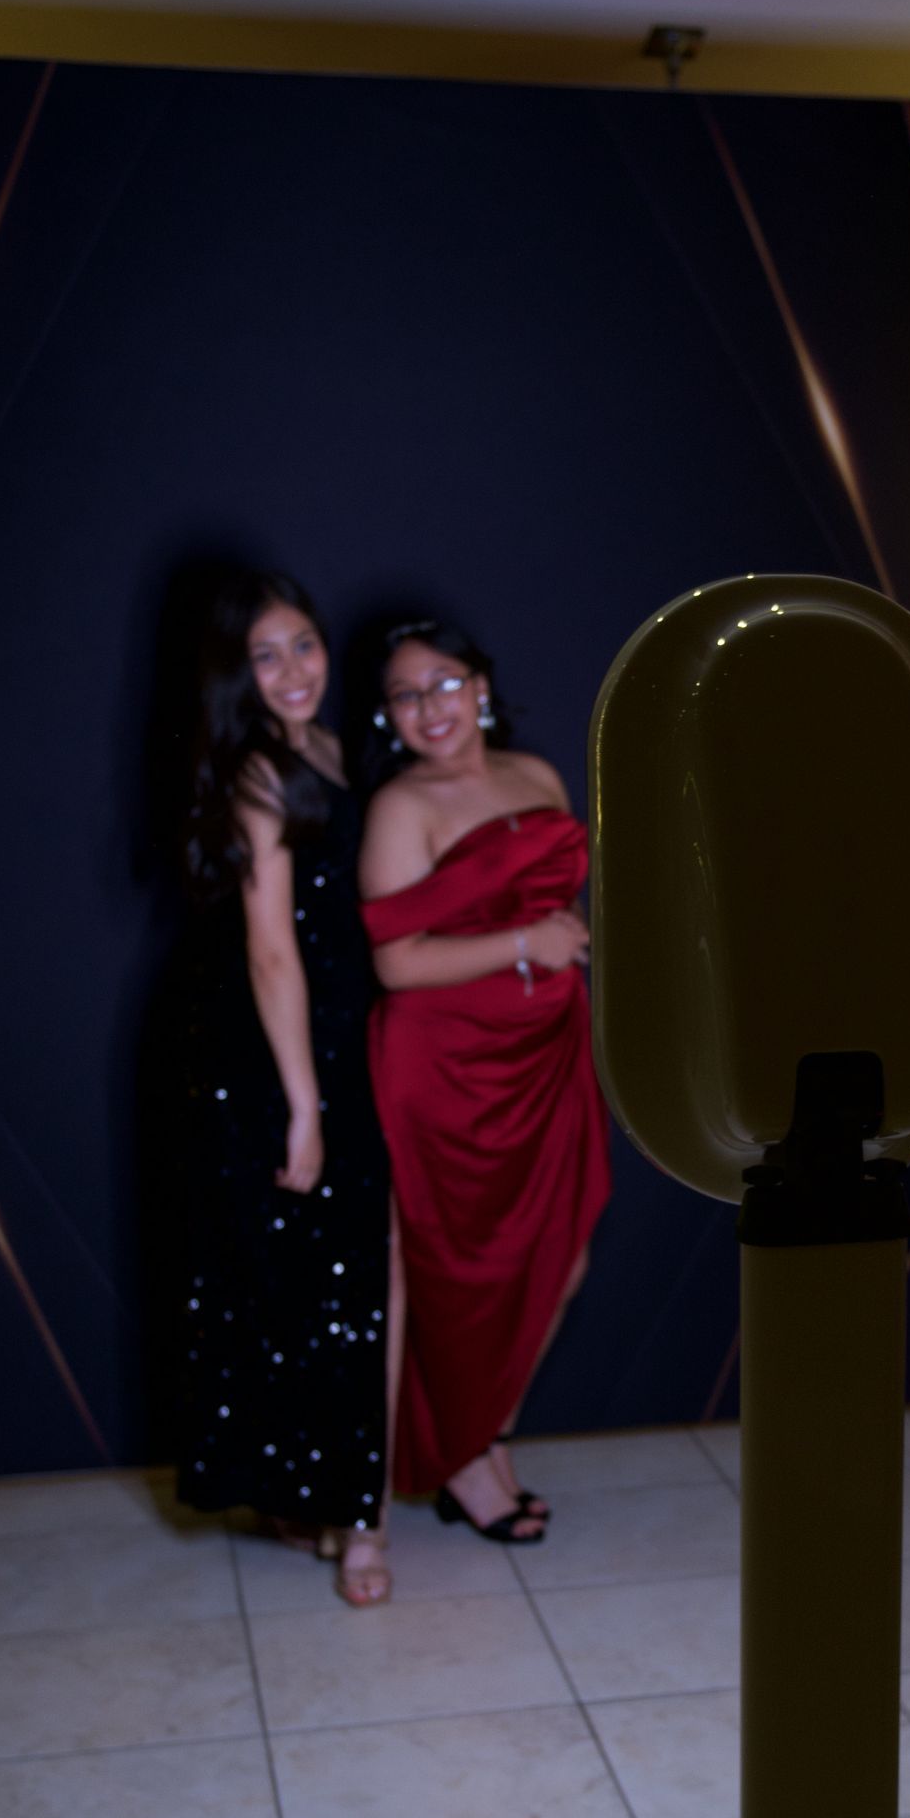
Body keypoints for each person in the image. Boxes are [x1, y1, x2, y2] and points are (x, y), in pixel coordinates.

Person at [359, 618, 610, 1541]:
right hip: (446, 1070)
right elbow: (395, 963)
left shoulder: (535, 774)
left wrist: (558, 938)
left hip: (543, 1052)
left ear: (481, 687)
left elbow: (547, 887)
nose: (430, 706)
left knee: (557, 1259)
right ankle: (465, 1462)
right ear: (389, 715)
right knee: (461, 1273)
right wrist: (524, 945)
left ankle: (481, 1437)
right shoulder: (400, 806)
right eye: (405, 693)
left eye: (445, 682)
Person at [176, 570, 395, 1604]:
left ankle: (330, 1502)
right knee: (315, 1285)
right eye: (268, 654)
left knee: (339, 1288)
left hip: (338, 1036)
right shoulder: (258, 771)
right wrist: (306, 1106)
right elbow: (272, 950)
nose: (295, 669)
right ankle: (350, 1521)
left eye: (304, 644)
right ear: (237, 672)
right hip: (275, 1056)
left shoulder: (326, 750)